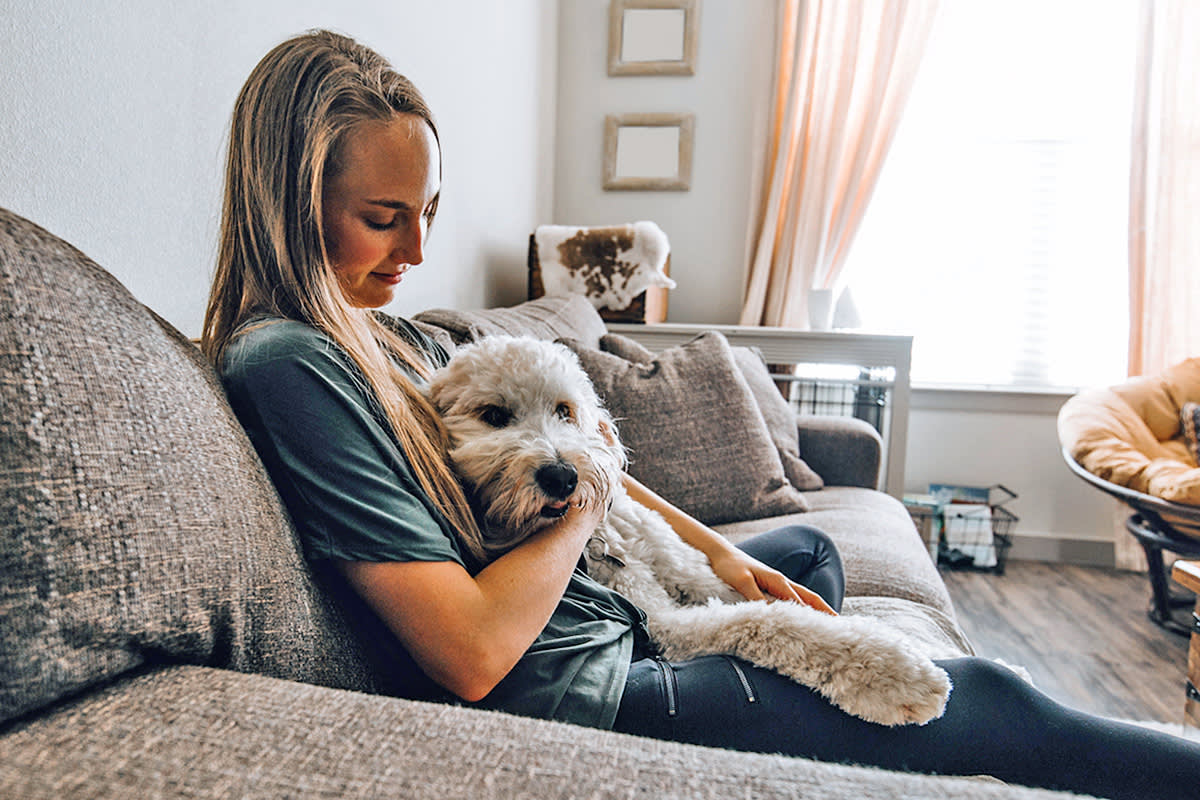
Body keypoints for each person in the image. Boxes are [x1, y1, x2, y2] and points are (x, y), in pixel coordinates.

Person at [205, 30, 1200, 800]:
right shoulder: (290, 361)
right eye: (384, 217)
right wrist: (586, 500)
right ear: (291, 198)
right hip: (576, 682)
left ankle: (849, 734)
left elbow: (586, 450)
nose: (417, 247)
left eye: (429, 210)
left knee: (801, 552)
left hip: (608, 612)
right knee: (996, 701)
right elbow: (469, 654)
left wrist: (716, 553)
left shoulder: (386, 336)